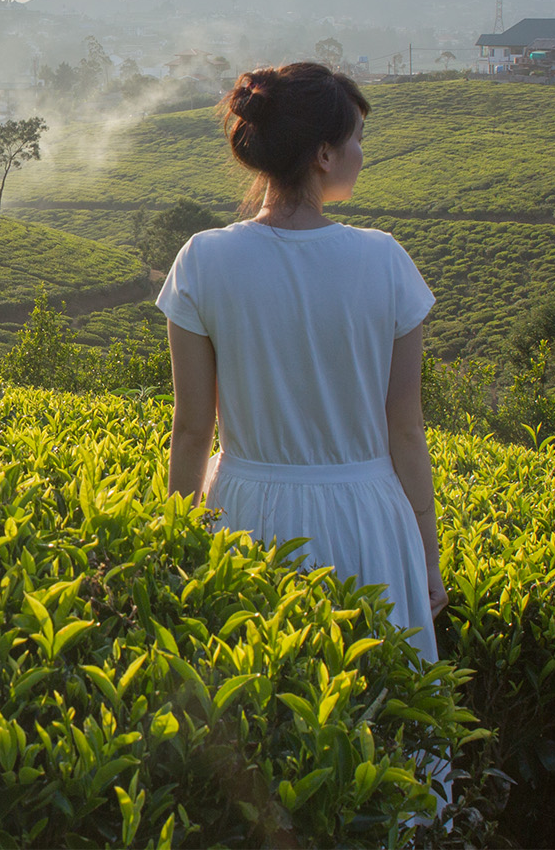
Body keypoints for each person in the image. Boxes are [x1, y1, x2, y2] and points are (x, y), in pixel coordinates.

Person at [158, 61, 445, 660]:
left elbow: (190, 432)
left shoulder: (204, 260)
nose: (362, 154)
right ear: (322, 154)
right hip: (366, 515)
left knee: (262, 715)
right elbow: (406, 430)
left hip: (245, 511)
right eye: (356, 141)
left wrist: (174, 553)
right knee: (379, 723)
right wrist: (427, 556)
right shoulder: (385, 261)